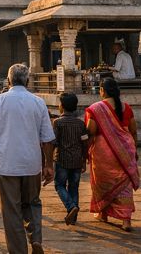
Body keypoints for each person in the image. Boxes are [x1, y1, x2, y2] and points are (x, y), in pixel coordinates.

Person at [0, 63, 55, 254]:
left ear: (8, 80)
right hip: (31, 164)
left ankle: (18, 250)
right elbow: (47, 138)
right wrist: (48, 165)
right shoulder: (38, 102)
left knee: (11, 210)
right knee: (32, 203)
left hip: (7, 165)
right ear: (28, 80)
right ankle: (36, 238)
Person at [85, 77, 139, 232]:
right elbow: (133, 131)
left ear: (102, 90)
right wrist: (135, 151)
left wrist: (85, 152)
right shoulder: (126, 107)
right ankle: (126, 220)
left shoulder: (95, 109)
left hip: (104, 154)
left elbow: (91, 132)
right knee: (125, 187)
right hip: (126, 151)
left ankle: (103, 213)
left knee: (102, 184)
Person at [52, 92, 89, 225]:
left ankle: (71, 207)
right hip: (77, 160)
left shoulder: (57, 123)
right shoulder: (80, 124)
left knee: (59, 185)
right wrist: (84, 160)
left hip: (61, 159)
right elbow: (85, 143)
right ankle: (73, 217)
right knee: (74, 187)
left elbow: (53, 142)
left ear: (61, 106)